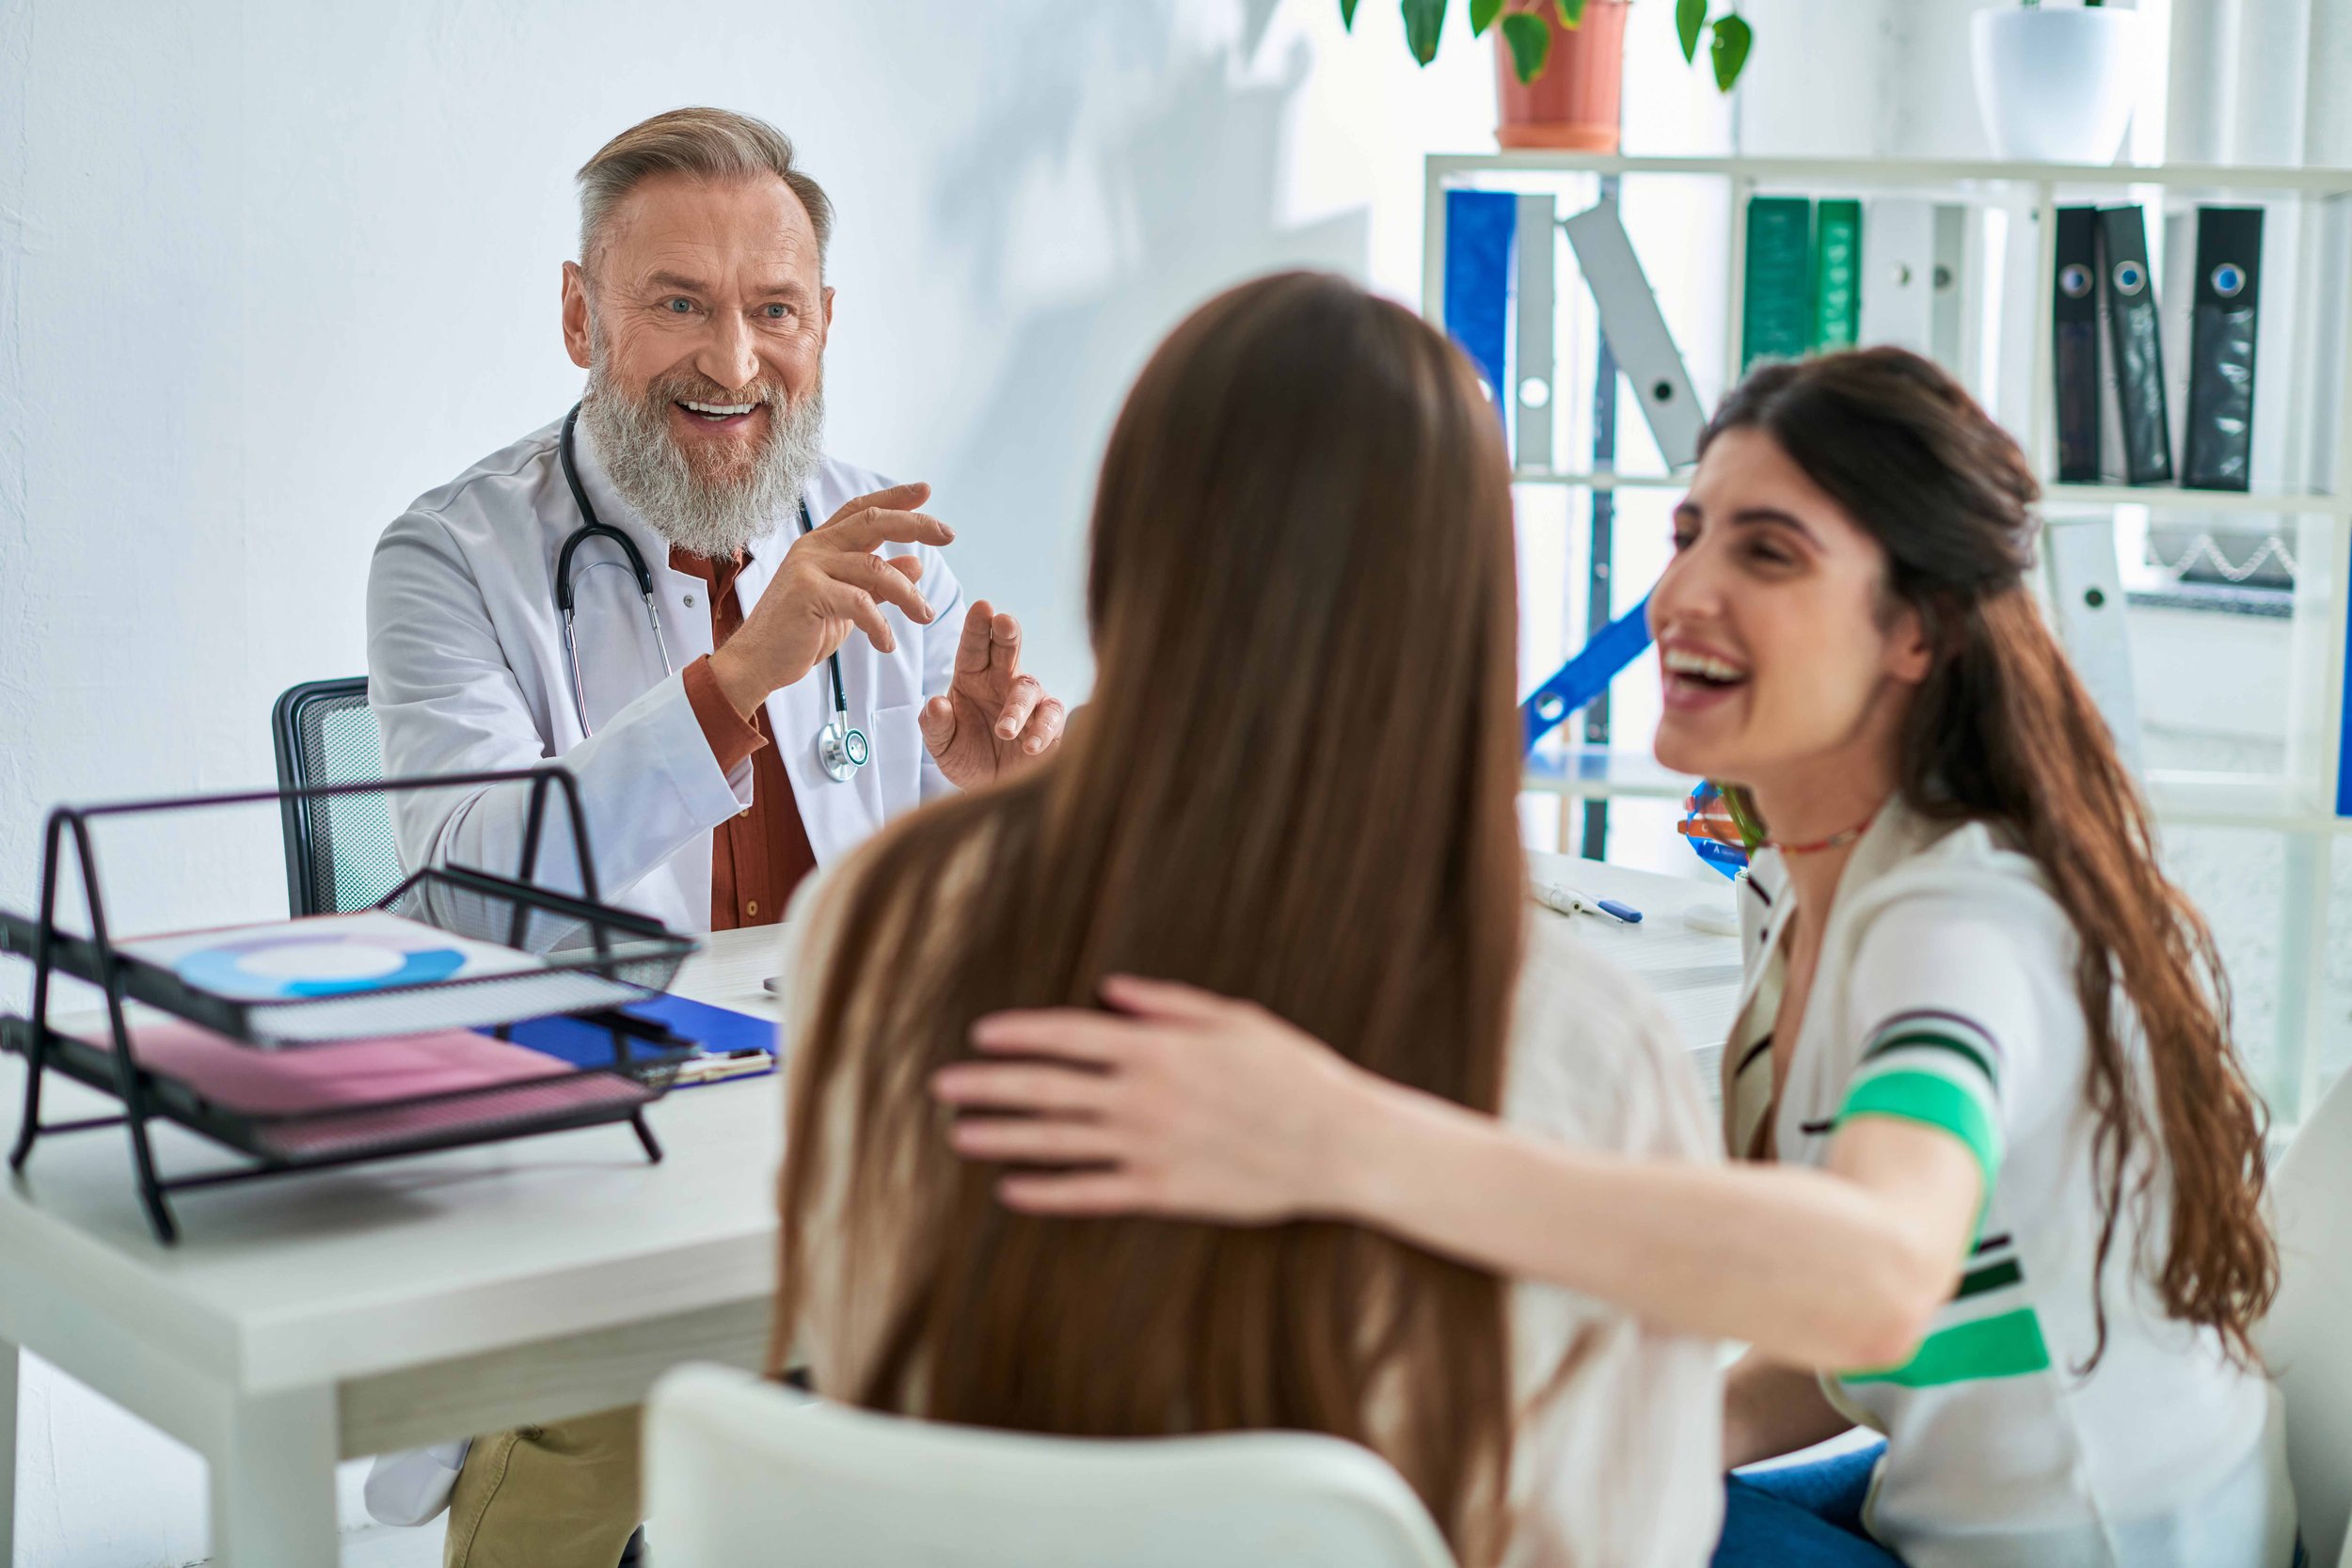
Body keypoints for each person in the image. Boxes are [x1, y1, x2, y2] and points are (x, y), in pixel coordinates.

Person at [936, 348, 2298, 1568]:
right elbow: (1851, 1356)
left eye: (1768, 554)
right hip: (1948, 1499)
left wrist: (1337, 1136)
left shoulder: (1960, 920)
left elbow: (1875, 1275)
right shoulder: (1805, 884)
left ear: (1917, 632)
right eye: (1689, 532)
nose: (1681, 592)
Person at [771, 272, 1725, 1568]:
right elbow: (1628, 1533)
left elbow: (867, 1354)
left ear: (1123, 556)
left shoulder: (866, 923)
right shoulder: (1578, 1040)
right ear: (1466, 606)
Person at [361, 107, 1065, 1568]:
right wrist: (738, 680)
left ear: (824, 324)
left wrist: (988, 811)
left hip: (857, 1187)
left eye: (772, 312)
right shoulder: (450, 560)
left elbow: (940, 943)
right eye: (677, 303)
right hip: (590, 1205)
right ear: (580, 313)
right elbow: (457, 894)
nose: (733, 364)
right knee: (616, 1425)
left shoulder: (880, 541)